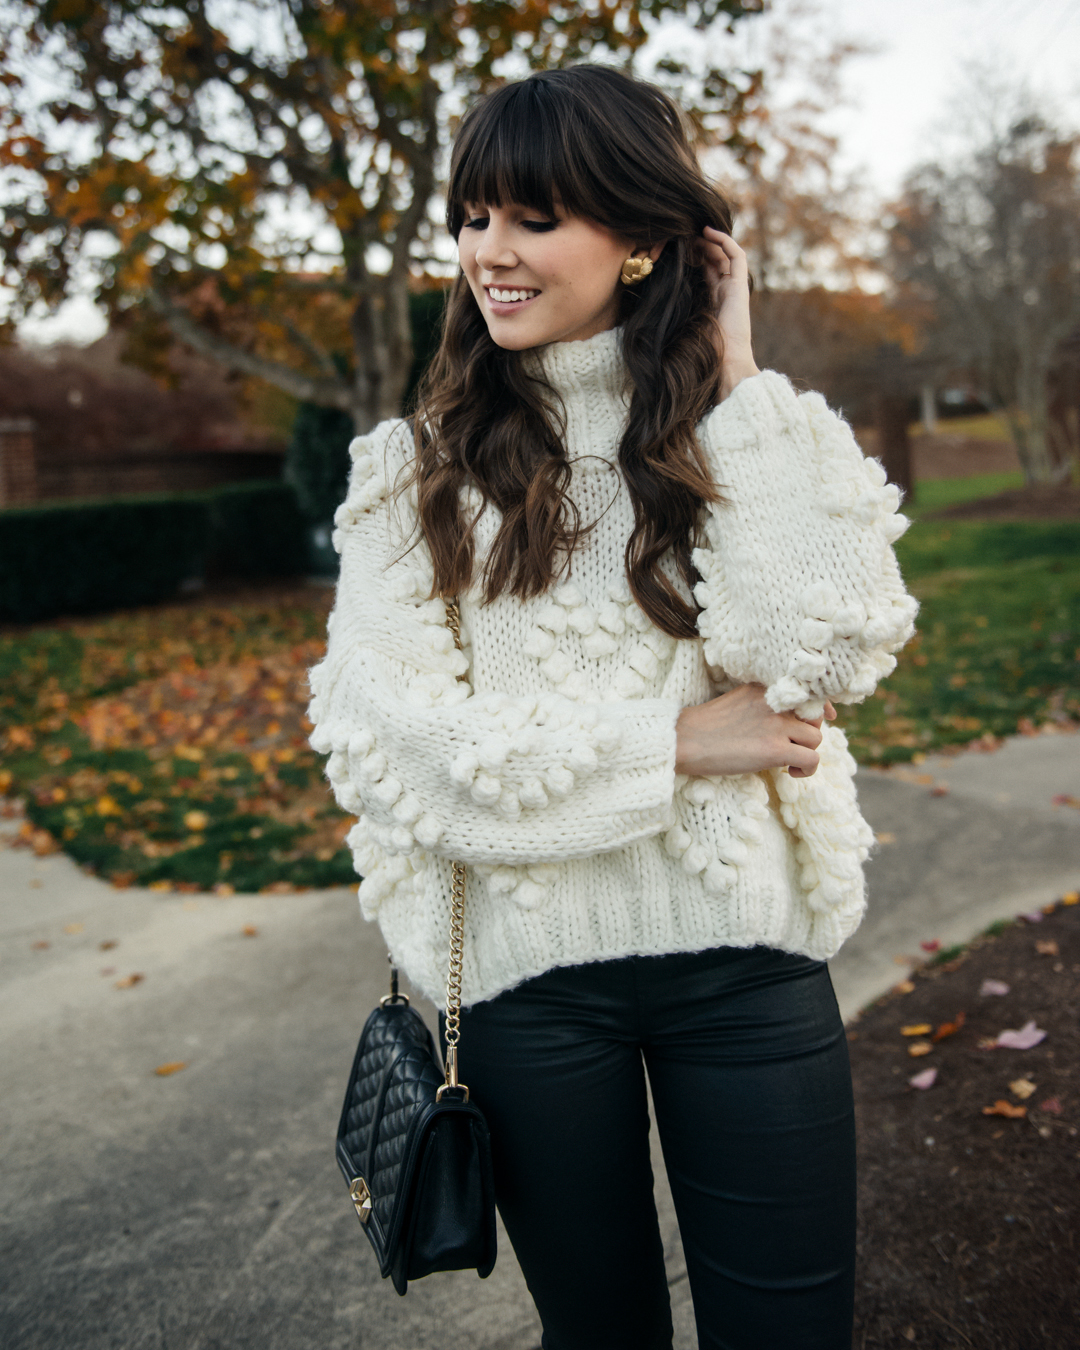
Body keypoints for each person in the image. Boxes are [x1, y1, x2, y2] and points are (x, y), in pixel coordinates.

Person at [308, 64, 917, 1350]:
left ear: (644, 242)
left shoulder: (737, 435)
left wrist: (738, 370)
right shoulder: (408, 476)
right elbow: (404, 753)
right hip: (534, 999)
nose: (490, 252)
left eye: (534, 217)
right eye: (474, 215)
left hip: (746, 968)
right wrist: (680, 743)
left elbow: (830, 646)